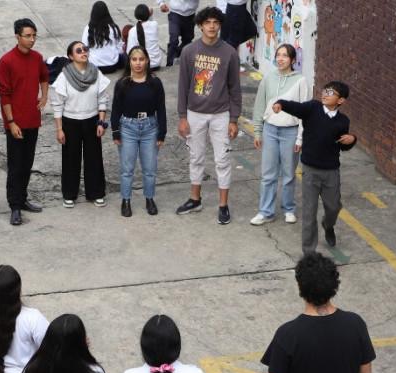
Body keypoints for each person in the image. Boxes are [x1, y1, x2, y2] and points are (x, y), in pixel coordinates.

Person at [174, 7, 243, 225]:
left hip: (221, 115)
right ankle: (195, 199)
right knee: (196, 158)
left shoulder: (230, 52)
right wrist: (182, 116)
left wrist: (234, 119)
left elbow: (235, 88)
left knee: (222, 160)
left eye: (215, 22)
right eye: (208, 22)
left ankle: (223, 205)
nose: (212, 26)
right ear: (200, 25)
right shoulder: (189, 51)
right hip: (195, 114)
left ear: (220, 25)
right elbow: (183, 85)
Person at [271, 81, 357, 255]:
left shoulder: (343, 121)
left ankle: (328, 225)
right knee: (309, 213)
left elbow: (343, 146)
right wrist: (281, 103)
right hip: (310, 170)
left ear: (340, 101)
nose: (325, 94)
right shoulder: (313, 108)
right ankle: (309, 252)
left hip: (331, 172)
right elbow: (296, 107)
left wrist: (352, 140)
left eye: (330, 93)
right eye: (325, 91)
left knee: (333, 207)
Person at [0, 19, 49, 226]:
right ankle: (15, 206)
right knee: (15, 165)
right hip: (16, 123)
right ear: (17, 36)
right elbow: (5, 95)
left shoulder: (37, 58)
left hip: (32, 120)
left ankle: (23, 198)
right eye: (28, 36)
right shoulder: (6, 61)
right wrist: (11, 122)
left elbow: (45, 77)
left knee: (27, 163)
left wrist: (44, 96)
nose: (32, 39)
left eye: (34, 35)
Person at [250, 44, 308, 226]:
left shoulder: (300, 80)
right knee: (268, 174)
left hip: (290, 132)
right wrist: (258, 131)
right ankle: (265, 212)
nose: (281, 58)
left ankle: (289, 208)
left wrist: (300, 137)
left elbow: (305, 112)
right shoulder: (268, 78)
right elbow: (259, 105)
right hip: (270, 131)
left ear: (292, 60)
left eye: (285, 55)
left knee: (289, 174)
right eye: (278, 55)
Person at [51, 41, 111, 208]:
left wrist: (101, 122)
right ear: (71, 56)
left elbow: (102, 99)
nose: (83, 52)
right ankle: (69, 194)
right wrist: (59, 129)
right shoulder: (64, 76)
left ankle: (96, 193)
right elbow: (57, 104)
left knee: (94, 158)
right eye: (79, 51)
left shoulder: (95, 72)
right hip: (71, 121)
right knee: (71, 158)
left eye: (85, 49)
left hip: (92, 120)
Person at [111, 46, 166, 217]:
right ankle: (125, 200)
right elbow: (116, 109)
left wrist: (161, 132)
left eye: (141, 59)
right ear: (130, 61)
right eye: (134, 59)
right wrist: (115, 131)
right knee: (127, 169)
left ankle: (149, 198)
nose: (138, 63)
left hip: (150, 127)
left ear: (147, 61)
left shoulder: (155, 83)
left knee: (150, 168)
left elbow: (161, 108)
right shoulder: (122, 84)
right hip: (128, 128)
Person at [84, 1, 126, 74]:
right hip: (112, 66)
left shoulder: (88, 28)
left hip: (95, 66)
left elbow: (84, 46)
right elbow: (120, 48)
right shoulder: (113, 27)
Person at [157, 0, 198, 67]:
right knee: (174, 39)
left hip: (190, 15)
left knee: (187, 40)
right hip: (175, 13)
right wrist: (161, 3)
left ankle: (177, 53)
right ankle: (169, 64)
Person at [125, 4, 163, 68]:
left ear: (136, 16)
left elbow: (129, 51)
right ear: (148, 14)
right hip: (157, 63)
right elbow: (150, 22)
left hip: (143, 66)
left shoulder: (133, 31)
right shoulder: (155, 25)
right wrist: (150, 15)